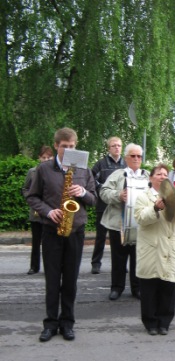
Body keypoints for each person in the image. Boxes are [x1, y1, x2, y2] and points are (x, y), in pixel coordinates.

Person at [26, 127, 97, 342]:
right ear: (56, 146)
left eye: (72, 146)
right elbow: (32, 196)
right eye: (64, 147)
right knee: (52, 279)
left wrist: (82, 192)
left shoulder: (83, 170)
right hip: (51, 230)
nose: (69, 150)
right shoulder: (44, 168)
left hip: (75, 231)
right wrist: (48, 211)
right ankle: (50, 324)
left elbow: (94, 199)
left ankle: (67, 323)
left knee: (71, 281)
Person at [134, 164, 175, 335]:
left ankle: (164, 322)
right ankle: (150, 323)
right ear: (151, 178)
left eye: (165, 174)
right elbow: (140, 218)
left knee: (168, 288)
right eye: (158, 173)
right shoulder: (143, 197)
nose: (162, 176)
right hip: (151, 249)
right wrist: (155, 208)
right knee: (149, 288)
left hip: (171, 249)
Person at [100, 143, 149, 301]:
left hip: (140, 225)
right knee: (118, 258)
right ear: (126, 158)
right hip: (118, 223)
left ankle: (138, 288)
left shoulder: (147, 175)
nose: (136, 159)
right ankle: (117, 287)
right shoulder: (117, 175)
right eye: (133, 156)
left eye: (139, 156)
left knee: (138, 258)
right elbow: (103, 192)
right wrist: (118, 195)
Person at [90, 136, 126, 274]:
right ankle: (96, 263)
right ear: (108, 148)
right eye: (114, 145)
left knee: (121, 237)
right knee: (100, 236)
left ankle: (122, 264)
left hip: (119, 208)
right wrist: (102, 190)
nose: (117, 148)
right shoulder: (100, 164)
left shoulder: (125, 165)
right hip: (103, 205)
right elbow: (92, 179)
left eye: (119, 145)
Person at [22, 145, 54, 275]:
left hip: (51, 211)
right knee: (36, 241)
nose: (46, 160)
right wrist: (31, 199)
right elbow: (25, 189)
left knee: (50, 242)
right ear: (39, 158)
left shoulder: (55, 172)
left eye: (48, 157)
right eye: (43, 157)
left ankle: (50, 267)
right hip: (36, 211)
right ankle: (34, 266)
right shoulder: (33, 171)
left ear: (52, 158)